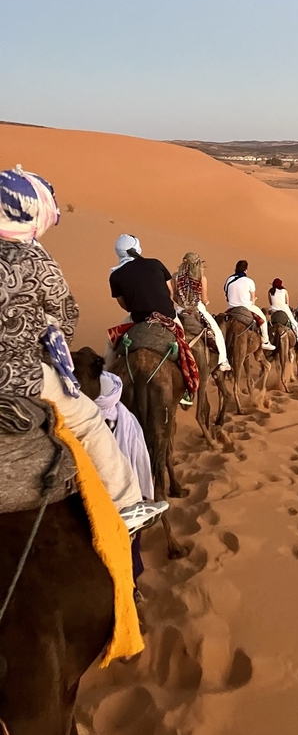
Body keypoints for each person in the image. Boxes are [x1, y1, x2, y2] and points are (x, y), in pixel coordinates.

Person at [0, 166, 167, 535]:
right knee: (89, 422)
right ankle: (127, 503)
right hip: (19, 375)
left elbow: (122, 300)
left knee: (112, 349)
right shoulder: (35, 260)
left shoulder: (116, 272)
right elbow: (65, 315)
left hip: (133, 322)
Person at [109, 235, 199, 406]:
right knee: (183, 345)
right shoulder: (155, 263)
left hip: (138, 319)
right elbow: (170, 292)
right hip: (168, 316)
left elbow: (124, 305)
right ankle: (188, 389)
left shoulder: (116, 275)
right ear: (136, 248)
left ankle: (107, 387)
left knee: (111, 345)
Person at [172, 252, 232, 371]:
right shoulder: (201, 278)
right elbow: (204, 299)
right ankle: (223, 361)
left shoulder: (175, 276)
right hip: (197, 308)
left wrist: (183, 302)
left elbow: (174, 297)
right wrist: (205, 302)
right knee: (217, 333)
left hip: (180, 309)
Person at [224, 260, 275, 350]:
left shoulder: (229, 279)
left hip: (230, 308)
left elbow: (226, 292)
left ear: (235, 269)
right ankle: (265, 341)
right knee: (263, 319)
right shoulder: (249, 281)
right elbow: (252, 298)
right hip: (246, 306)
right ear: (246, 270)